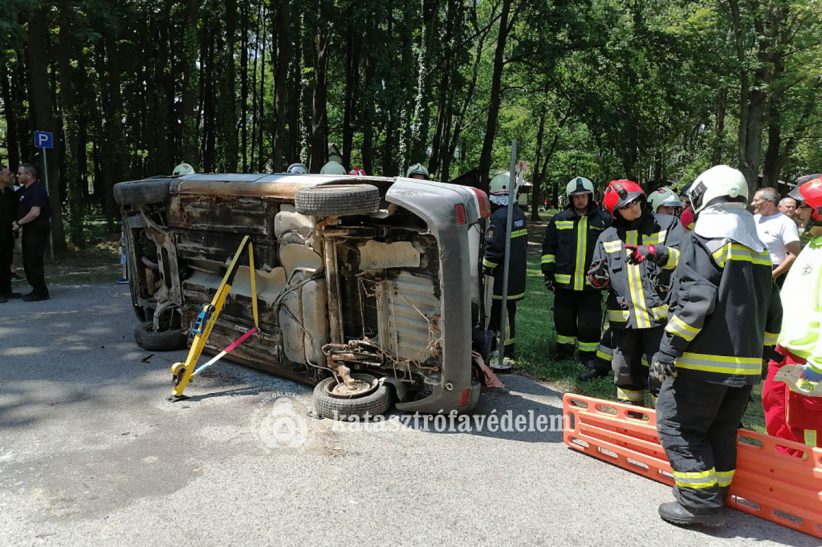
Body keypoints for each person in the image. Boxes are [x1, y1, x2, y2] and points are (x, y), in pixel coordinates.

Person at [651, 165, 782, 528]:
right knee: (721, 431)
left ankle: (699, 505)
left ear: (705, 195)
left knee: (679, 428)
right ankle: (718, 495)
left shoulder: (704, 241)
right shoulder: (757, 252)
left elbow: (695, 303)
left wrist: (666, 352)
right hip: (742, 371)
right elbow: (774, 313)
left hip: (700, 365)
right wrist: (763, 358)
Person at [587, 179, 685, 406]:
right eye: (625, 206)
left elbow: (683, 260)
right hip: (624, 323)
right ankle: (630, 421)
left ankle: (664, 423)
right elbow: (595, 276)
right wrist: (597, 278)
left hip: (659, 321)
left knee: (661, 375)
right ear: (615, 212)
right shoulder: (607, 237)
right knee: (625, 375)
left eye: (635, 201)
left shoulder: (667, 224)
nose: (633, 207)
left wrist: (655, 252)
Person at [762, 175, 822, 450]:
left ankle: (806, 490)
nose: (797, 211)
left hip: (809, 363)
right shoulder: (813, 243)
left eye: (804, 206)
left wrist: (818, 367)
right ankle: (781, 479)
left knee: (806, 435)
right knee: (779, 422)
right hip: (785, 354)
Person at [541, 176, 611, 378]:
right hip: (565, 284)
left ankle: (588, 355)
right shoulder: (559, 219)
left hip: (591, 284)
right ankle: (563, 351)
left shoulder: (604, 221)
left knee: (590, 321)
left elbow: (611, 249)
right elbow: (549, 247)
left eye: (583, 196)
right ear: (570, 199)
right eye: (576, 197)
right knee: (564, 320)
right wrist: (548, 270)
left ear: (590, 196)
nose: (580, 200)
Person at [482, 172, 527, 372]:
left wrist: (485, 269)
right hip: (516, 277)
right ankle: (509, 349)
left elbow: (494, 249)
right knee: (509, 314)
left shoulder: (498, 218)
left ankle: (500, 351)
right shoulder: (518, 214)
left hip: (500, 278)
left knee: (497, 315)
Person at [12, 163, 51, 301]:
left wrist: (19, 223)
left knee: (33, 260)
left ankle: (41, 292)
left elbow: (35, 213)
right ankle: (35, 288)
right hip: (29, 229)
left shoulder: (37, 190)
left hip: (38, 229)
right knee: (28, 260)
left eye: (19, 173)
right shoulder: (24, 190)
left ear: (29, 175)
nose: (17, 175)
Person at [751, 187, 800, 287]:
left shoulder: (786, 223)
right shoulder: (754, 218)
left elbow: (793, 254)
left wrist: (773, 275)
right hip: (750, 266)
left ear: (768, 202)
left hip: (771, 269)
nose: (752, 203)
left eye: (756, 200)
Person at [0, 164, 21, 302]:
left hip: (7, 233)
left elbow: (14, 211)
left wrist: (15, 222)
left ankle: (6, 291)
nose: (11, 176)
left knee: (6, 261)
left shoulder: (9, 193)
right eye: (8, 174)